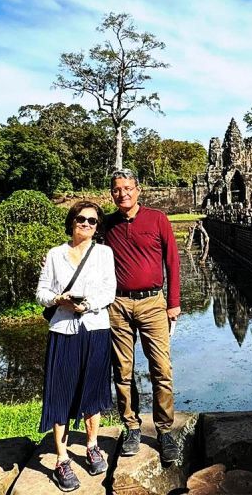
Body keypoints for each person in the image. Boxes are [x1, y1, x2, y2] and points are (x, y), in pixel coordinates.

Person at [36, 201, 117, 492]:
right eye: (80, 219)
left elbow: (110, 290)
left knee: (92, 391)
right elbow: (41, 293)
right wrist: (60, 301)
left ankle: (92, 445)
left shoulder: (104, 253)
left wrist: (87, 305)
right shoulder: (55, 255)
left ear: (98, 227)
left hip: (95, 328)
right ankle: (61, 458)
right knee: (61, 393)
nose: (85, 224)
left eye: (92, 221)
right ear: (71, 222)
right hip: (63, 330)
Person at [104, 168, 181, 463]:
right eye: (116, 189)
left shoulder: (157, 218)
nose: (122, 193)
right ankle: (132, 426)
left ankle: (164, 430)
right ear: (112, 193)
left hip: (153, 304)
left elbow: (172, 261)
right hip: (118, 306)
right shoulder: (108, 225)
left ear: (138, 190)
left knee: (161, 369)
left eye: (127, 188)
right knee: (122, 371)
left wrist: (173, 303)